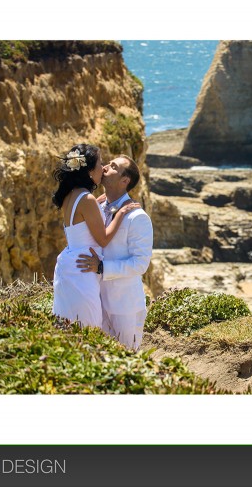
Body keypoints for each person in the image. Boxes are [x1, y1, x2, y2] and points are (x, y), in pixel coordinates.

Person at [51, 144, 141, 328]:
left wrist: (99, 201)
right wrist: (122, 212)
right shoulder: (87, 199)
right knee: (87, 325)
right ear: (90, 171)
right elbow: (103, 239)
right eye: (100, 164)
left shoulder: (72, 195)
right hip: (83, 269)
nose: (104, 168)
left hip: (70, 263)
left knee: (68, 324)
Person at [76, 155, 153, 350]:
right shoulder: (97, 208)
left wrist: (102, 267)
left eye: (112, 167)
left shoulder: (137, 217)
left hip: (124, 306)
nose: (104, 168)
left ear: (124, 181)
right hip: (95, 299)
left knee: (128, 359)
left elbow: (140, 263)